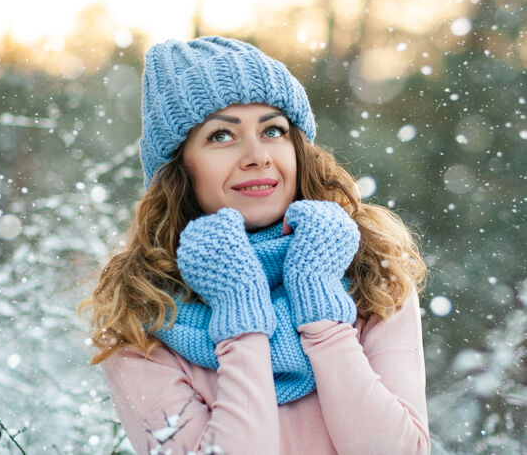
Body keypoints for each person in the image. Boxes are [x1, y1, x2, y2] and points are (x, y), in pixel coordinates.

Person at [78, 36, 430, 454]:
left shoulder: (368, 272)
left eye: (273, 130)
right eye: (222, 135)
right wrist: (240, 318)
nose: (257, 155)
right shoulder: (143, 311)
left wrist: (320, 305)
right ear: (180, 168)